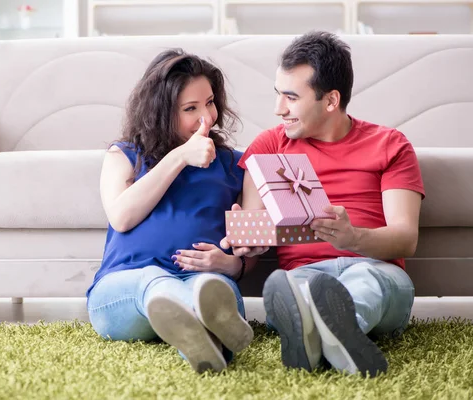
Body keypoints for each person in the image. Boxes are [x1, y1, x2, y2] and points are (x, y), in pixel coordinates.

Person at [222, 31, 425, 377]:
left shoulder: (390, 145)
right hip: (304, 272)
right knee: (298, 287)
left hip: (377, 269)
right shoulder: (270, 145)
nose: (278, 109)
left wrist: (352, 239)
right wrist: (249, 241)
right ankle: (331, 340)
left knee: (364, 282)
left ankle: (322, 330)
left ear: (331, 101)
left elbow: (406, 237)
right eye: (278, 94)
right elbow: (256, 223)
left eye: (291, 97)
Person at [86, 49, 254, 374]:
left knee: (210, 288)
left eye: (209, 102)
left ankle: (204, 339)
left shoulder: (236, 164)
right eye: (190, 109)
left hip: (205, 281)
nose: (206, 117)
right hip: (125, 290)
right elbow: (122, 216)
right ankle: (197, 315)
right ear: (161, 111)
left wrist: (233, 265)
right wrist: (179, 157)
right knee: (153, 280)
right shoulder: (124, 155)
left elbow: (250, 248)